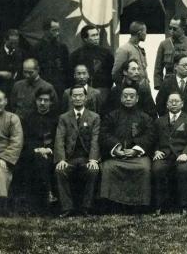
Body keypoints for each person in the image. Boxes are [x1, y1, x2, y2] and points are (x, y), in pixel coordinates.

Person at [99, 86, 154, 209]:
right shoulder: (111, 116)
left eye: (131, 96)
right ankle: (110, 204)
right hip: (117, 156)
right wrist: (116, 147)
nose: (128, 99)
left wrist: (136, 149)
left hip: (138, 157)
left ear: (137, 99)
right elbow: (104, 134)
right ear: (121, 98)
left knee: (145, 169)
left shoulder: (145, 117)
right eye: (125, 96)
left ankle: (140, 205)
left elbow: (150, 135)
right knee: (108, 168)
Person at [54, 85, 100, 217]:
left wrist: (93, 159)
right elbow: (59, 139)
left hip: (86, 157)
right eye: (75, 96)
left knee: (93, 170)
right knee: (60, 170)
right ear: (71, 98)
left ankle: (87, 207)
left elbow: (95, 140)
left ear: (85, 98)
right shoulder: (63, 118)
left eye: (81, 95)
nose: (78, 98)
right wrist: (61, 159)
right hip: (70, 158)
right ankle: (67, 208)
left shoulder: (94, 117)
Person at [152, 92, 187, 214]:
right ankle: (159, 206)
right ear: (167, 104)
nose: (173, 103)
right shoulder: (159, 121)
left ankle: (185, 207)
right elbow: (153, 139)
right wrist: (156, 150)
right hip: (164, 155)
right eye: (171, 101)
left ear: (182, 104)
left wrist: (186, 154)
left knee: (183, 170)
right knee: (157, 169)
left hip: (182, 155)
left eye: (176, 101)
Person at [18, 86, 58, 212]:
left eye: (46, 100)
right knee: (35, 161)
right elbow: (25, 140)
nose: (42, 103)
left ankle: (44, 201)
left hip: (51, 153)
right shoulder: (28, 119)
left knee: (44, 162)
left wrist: (48, 150)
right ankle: (43, 198)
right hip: (31, 153)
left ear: (51, 102)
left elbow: (59, 139)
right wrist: (37, 150)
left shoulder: (57, 119)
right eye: (40, 100)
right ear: (35, 101)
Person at [154, 15, 187, 89]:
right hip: (169, 85)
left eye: (175, 29)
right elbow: (158, 68)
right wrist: (159, 87)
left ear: (183, 29)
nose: (171, 31)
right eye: (170, 28)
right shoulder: (164, 44)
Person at [69, 25, 114, 103]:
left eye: (97, 35)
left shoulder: (106, 53)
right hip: (81, 93)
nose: (97, 37)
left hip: (102, 92)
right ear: (85, 39)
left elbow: (111, 73)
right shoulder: (76, 55)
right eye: (93, 35)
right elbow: (70, 76)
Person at [156, 54, 187, 119]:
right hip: (172, 122)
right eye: (184, 65)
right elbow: (160, 103)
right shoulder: (167, 83)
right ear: (175, 66)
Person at [32, 18, 69, 97]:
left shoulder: (62, 47)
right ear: (46, 31)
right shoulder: (36, 48)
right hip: (41, 87)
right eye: (54, 30)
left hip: (58, 87)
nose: (57, 33)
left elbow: (67, 69)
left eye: (58, 30)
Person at [111, 21, 149, 85]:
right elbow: (115, 73)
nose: (146, 34)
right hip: (131, 91)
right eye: (145, 31)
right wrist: (125, 88)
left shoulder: (140, 50)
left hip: (144, 88)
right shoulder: (124, 50)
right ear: (139, 33)